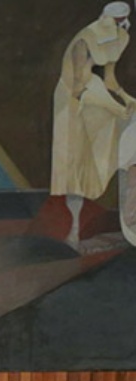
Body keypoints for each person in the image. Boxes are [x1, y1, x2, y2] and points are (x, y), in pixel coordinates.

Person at [52, 4, 133, 246]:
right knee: (75, 165)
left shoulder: (120, 37)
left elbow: (109, 79)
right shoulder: (84, 41)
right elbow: (79, 87)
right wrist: (115, 107)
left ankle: (130, 213)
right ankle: (74, 231)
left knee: (125, 135)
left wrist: (126, 98)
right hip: (73, 104)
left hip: (96, 98)